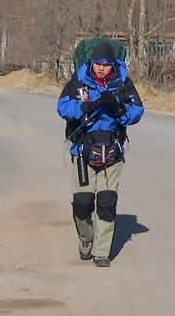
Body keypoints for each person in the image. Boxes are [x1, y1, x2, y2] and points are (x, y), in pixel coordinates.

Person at [56, 41, 144, 267]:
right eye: (98, 63)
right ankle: (86, 239)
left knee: (106, 201)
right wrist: (87, 106)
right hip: (82, 151)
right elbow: (62, 107)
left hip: (111, 151)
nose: (101, 68)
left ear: (113, 64)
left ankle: (102, 252)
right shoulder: (79, 81)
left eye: (106, 64)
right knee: (83, 202)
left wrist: (118, 108)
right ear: (91, 62)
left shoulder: (122, 83)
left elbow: (137, 111)